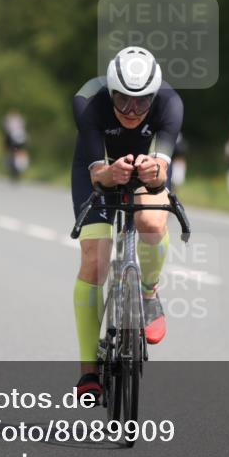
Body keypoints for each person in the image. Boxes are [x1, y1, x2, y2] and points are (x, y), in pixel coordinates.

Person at [71, 46, 183, 402]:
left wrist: (155, 170)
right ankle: (89, 372)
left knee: (151, 222)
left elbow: (163, 169)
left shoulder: (170, 103)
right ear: (109, 91)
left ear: (155, 95)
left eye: (141, 102)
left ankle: (149, 293)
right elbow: (96, 174)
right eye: (122, 100)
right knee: (95, 260)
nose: (132, 111)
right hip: (98, 170)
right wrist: (108, 171)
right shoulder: (88, 101)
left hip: (146, 171)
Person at [1, 110, 29, 181]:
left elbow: (6, 131)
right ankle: (19, 166)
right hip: (20, 139)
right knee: (19, 153)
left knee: (13, 153)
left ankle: (16, 166)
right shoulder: (20, 120)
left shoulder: (9, 121)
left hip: (14, 140)